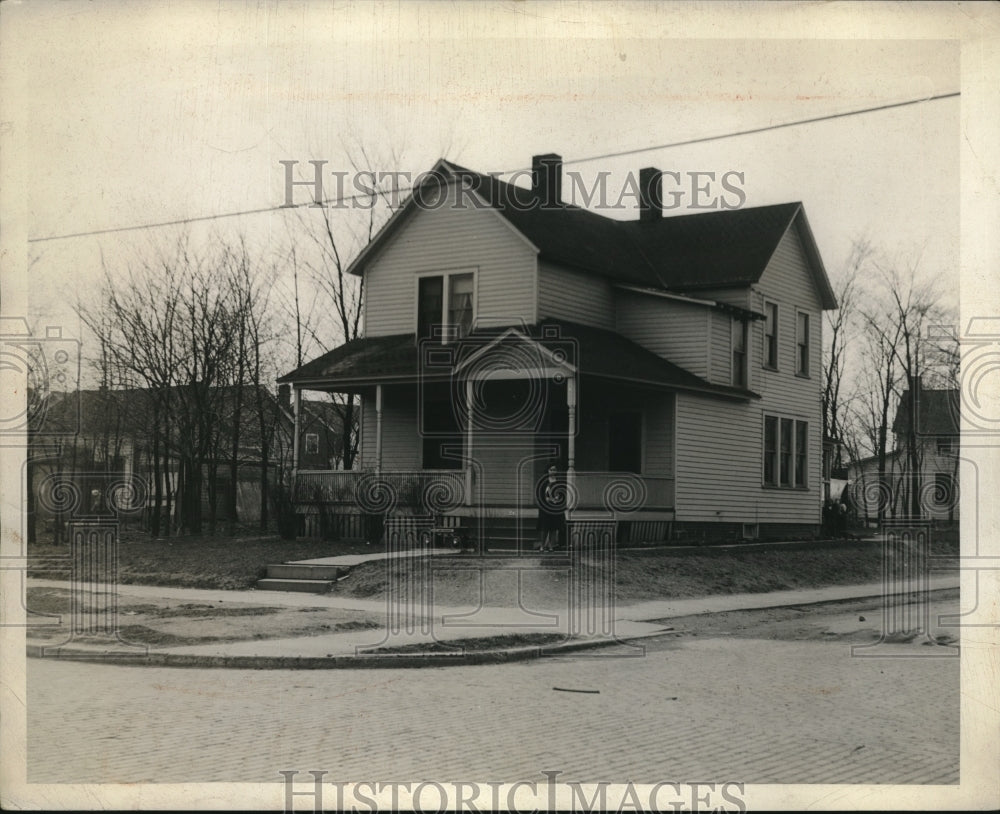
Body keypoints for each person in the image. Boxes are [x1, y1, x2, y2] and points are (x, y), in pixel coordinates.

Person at [536, 465, 564, 552]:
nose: (553, 471)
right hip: (545, 508)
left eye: (554, 469)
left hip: (555, 507)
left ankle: (551, 546)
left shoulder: (559, 482)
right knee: (545, 527)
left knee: (553, 527)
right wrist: (543, 504)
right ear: (548, 471)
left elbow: (562, 493)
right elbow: (540, 494)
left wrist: (559, 502)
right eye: (551, 469)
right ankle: (542, 546)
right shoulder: (544, 482)